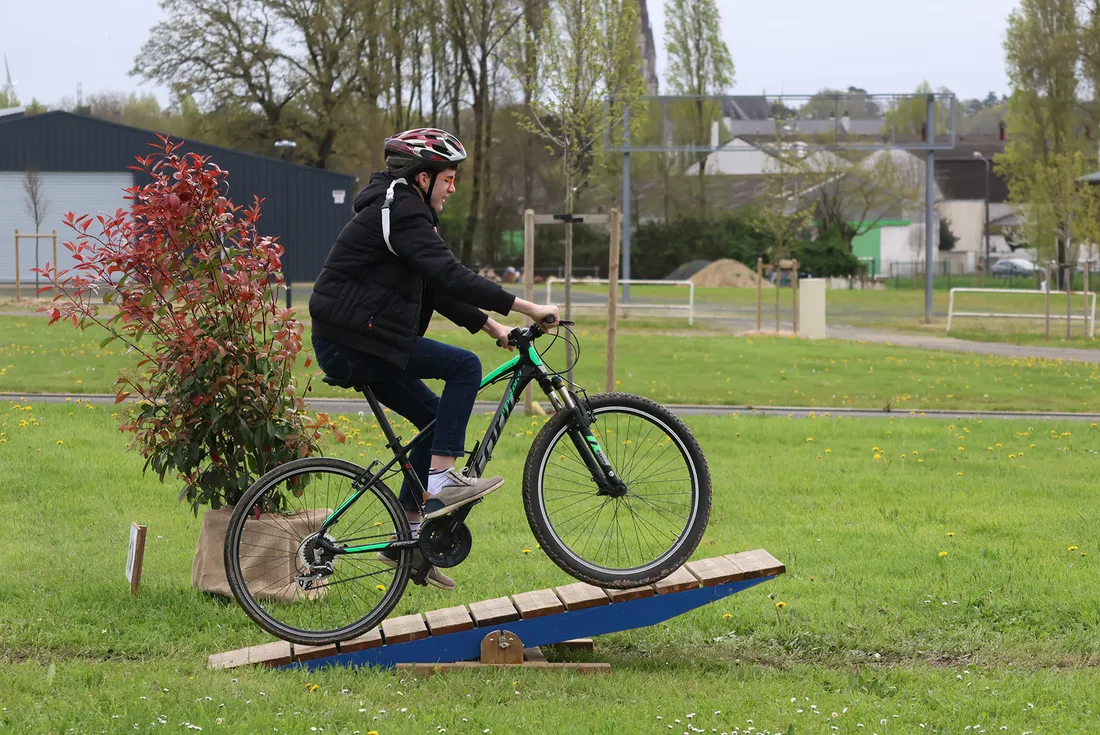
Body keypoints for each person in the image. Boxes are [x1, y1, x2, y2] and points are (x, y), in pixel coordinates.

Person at [309, 128, 559, 590]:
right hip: (352, 342)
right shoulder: (400, 209)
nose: (453, 187)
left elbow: (437, 287)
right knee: (464, 367)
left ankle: (405, 538)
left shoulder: (400, 210)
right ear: (423, 178)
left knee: (433, 419)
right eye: (448, 178)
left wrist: (494, 327)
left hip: (359, 340)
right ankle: (442, 485)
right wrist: (528, 307)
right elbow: (451, 274)